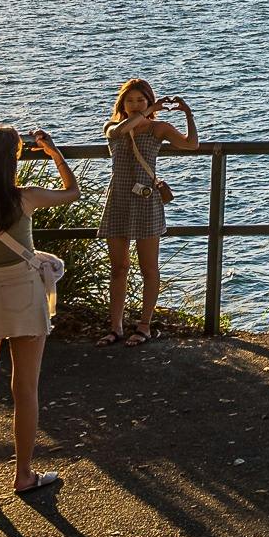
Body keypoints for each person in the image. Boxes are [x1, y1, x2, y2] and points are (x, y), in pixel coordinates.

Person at [0, 122, 80, 502]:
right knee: (25, 388)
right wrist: (55, 153)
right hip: (23, 290)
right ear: (10, 161)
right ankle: (23, 474)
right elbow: (72, 192)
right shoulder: (24, 198)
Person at [100, 77, 198, 344]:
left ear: (149, 100)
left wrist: (188, 114)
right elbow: (117, 133)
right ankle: (115, 326)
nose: (134, 105)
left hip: (145, 201)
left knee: (149, 268)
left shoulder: (158, 129)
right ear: (122, 102)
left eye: (140, 100)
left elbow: (191, 145)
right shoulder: (113, 126)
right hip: (119, 199)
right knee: (118, 267)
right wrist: (146, 111)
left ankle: (144, 325)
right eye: (129, 100)